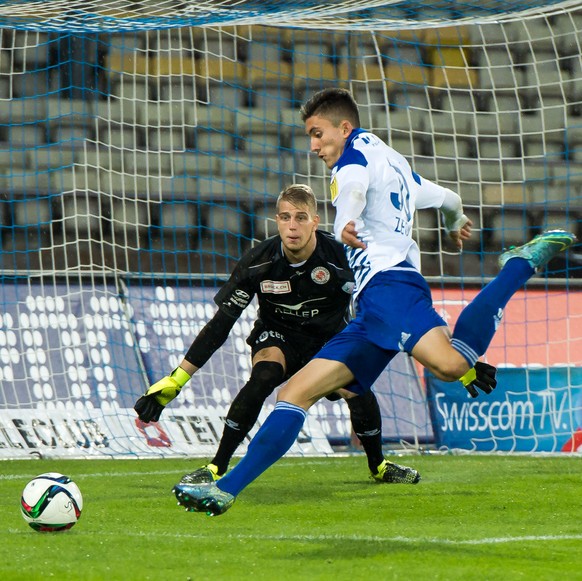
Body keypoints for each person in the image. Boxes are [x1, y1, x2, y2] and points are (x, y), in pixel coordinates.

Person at [173, 88, 575, 517]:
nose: (313, 146)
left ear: (343, 129)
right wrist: (455, 220)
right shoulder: (396, 165)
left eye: (317, 134)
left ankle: (517, 266)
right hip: (371, 308)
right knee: (294, 392)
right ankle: (227, 489)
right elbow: (447, 199)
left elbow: (353, 188)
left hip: (392, 288)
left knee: (452, 366)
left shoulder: (354, 161)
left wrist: (344, 218)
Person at [135, 183, 423, 484]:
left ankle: (378, 465)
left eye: (300, 217)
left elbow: (387, 303)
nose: (292, 226)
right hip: (278, 336)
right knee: (263, 377)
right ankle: (216, 468)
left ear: (316, 221)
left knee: (357, 388)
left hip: (329, 340)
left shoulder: (344, 257)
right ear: (276, 221)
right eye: (285, 218)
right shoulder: (258, 262)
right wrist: (177, 379)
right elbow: (221, 325)